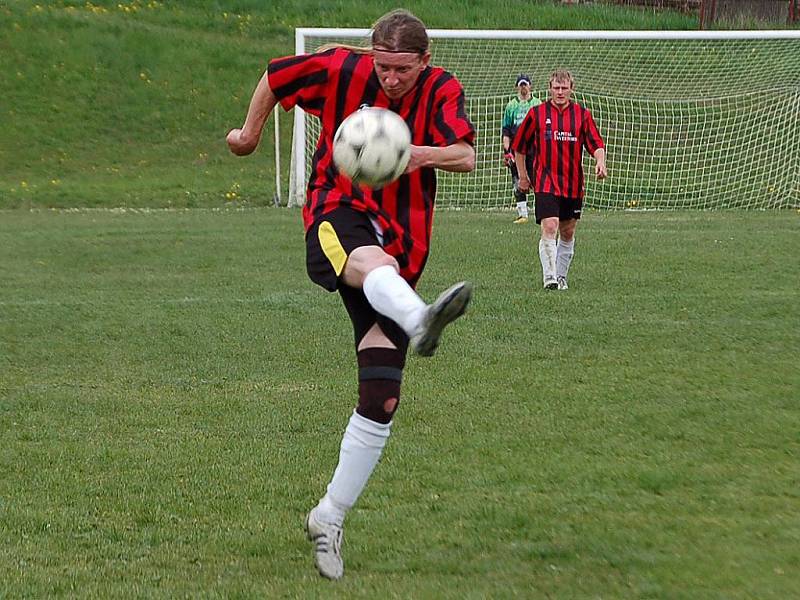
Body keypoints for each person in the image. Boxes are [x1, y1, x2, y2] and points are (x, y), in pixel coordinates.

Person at [226, 9, 475, 580]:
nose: (391, 79)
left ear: (425, 62)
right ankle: (420, 319)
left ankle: (328, 516)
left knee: (381, 396)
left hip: (405, 242)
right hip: (336, 215)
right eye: (383, 67)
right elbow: (275, 75)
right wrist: (248, 135)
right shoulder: (342, 69)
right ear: (371, 56)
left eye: (403, 71)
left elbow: (464, 154)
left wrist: (413, 154)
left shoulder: (440, 89)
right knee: (367, 259)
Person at [512, 69, 607, 290]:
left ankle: (561, 276)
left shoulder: (582, 115)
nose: (560, 92)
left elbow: (596, 144)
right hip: (545, 181)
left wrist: (600, 162)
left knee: (567, 231)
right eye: (556, 88)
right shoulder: (537, 114)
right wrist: (523, 177)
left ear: (571, 89)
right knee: (550, 226)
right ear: (550, 88)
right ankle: (550, 278)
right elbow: (519, 148)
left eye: (564, 88)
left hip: (573, 184)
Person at [501, 74, 540, 224]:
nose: (523, 87)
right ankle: (522, 214)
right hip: (517, 150)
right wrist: (507, 152)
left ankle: (541, 211)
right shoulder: (511, 106)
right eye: (521, 84)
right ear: (517, 86)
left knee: (537, 179)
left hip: (534, 149)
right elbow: (506, 131)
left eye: (525, 84)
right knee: (517, 181)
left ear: (530, 86)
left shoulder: (537, 104)